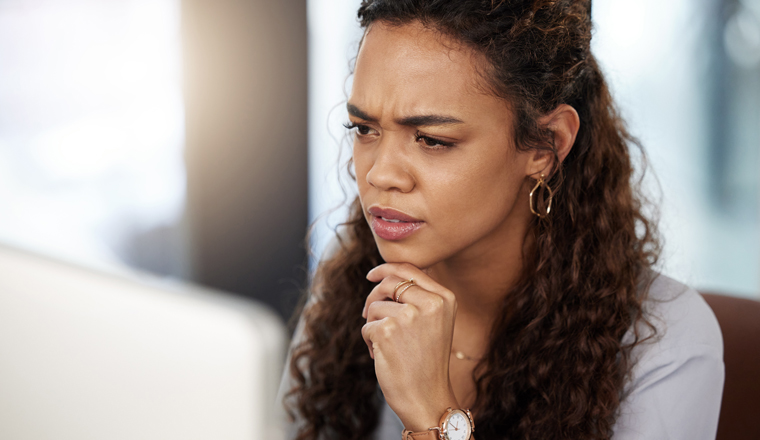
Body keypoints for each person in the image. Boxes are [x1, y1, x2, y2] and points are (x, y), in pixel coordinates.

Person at [278, 1, 724, 439]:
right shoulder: (355, 276)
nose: (379, 174)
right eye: (364, 129)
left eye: (432, 139)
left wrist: (434, 416)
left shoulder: (665, 342)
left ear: (544, 147)